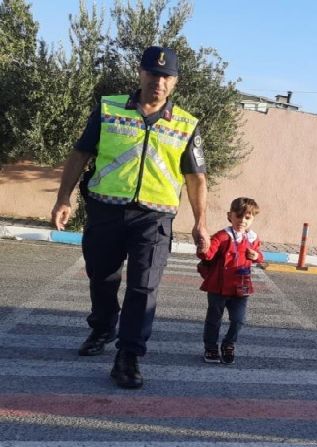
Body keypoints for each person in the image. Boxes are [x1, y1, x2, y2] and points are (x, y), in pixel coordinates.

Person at [50, 46, 209, 389]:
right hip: (106, 210)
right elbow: (80, 154)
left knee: (143, 286)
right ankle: (104, 325)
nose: (159, 82)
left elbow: (196, 177)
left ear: (176, 82)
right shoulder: (108, 109)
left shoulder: (186, 124)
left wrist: (200, 222)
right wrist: (64, 198)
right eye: (153, 73)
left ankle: (129, 355)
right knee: (102, 277)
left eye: (166, 77)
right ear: (140, 74)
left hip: (154, 218)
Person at [197, 197, 263, 364]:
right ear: (230, 216)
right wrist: (203, 246)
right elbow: (209, 253)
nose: (242, 221)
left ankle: (229, 343)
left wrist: (257, 256)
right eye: (238, 216)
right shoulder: (223, 236)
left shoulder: (253, 238)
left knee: (239, 320)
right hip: (218, 287)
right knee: (214, 319)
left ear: (252, 219)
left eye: (247, 218)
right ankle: (211, 347)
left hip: (241, 287)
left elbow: (258, 255)